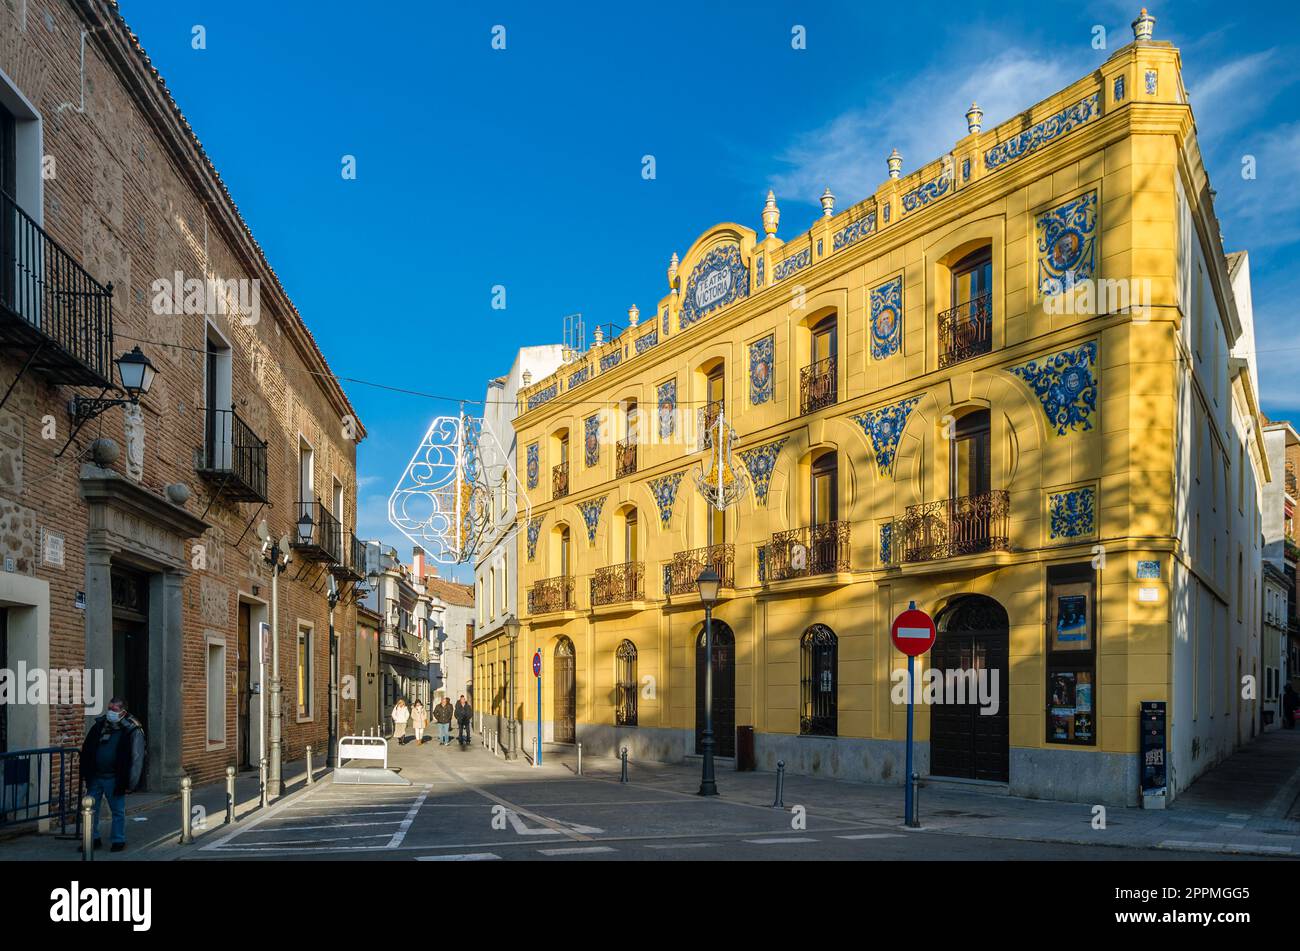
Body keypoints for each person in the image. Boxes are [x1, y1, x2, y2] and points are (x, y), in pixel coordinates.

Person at [78, 697, 146, 853]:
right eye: (109, 709)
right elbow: (88, 748)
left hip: (115, 777)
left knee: (117, 811)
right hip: (96, 776)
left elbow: (137, 758)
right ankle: (91, 839)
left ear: (123, 712)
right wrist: (85, 772)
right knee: (89, 809)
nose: (110, 712)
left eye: (114, 710)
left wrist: (131, 782)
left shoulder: (132, 729)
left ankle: (118, 840)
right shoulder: (100, 725)